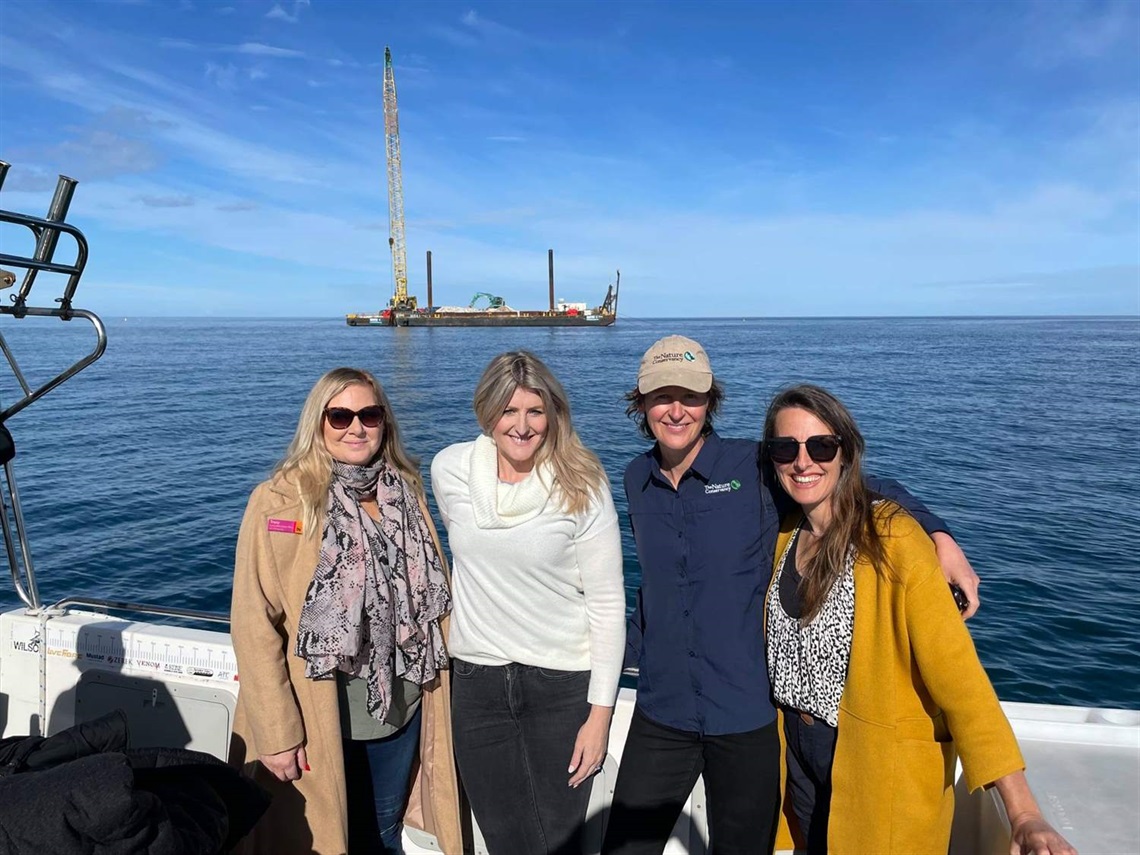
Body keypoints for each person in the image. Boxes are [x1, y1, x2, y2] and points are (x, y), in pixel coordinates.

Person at [602, 336, 980, 855]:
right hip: (661, 710)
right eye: (661, 396)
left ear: (710, 402)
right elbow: (657, 585)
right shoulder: (633, 479)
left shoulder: (756, 468)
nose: (676, 410)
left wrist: (939, 535)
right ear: (640, 403)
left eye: (690, 396)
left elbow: (854, 482)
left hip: (744, 716)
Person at [761, 383, 1075, 855]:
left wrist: (1024, 813)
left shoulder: (891, 538)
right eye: (787, 447)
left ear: (845, 452)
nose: (803, 461)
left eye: (821, 445)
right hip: (798, 762)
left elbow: (958, 677)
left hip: (876, 767)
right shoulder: (785, 535)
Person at [229, 367, 462, 855]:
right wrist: (276, 733)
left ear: (384, 423)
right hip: (321, 715)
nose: (356, 428)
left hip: (403, 709)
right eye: (340, 416)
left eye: (369, 415)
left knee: (383, 831)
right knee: (327, 839)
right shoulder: (281, 501)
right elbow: (254, 623)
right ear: (319, 423)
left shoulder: (406, 492)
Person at [431, 350, 626, 855]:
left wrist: (599, 717)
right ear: (487, 412)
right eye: (508, 410)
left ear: (553, 414)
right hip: (477, 685)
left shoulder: (581, 481)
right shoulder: (451, 470)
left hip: (561, 689)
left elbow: (606, 602)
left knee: (557, 842)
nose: (521, 425)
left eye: (535, 411)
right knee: (505, 841)